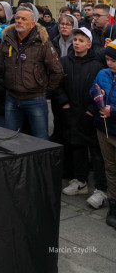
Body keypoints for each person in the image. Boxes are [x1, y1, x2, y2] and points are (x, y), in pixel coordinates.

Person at [55, 27, 107, 209]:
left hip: (90, 116)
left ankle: (101, 188)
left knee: (96, 152)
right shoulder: (64, 62)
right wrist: (65, 104)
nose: (76, 42)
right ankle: (80, 181)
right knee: (76, 147)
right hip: (72, 113)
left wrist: (91, 110)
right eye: (75, 39)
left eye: (81, 40)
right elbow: (57, 85)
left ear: (89, 44)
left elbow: (101, 90)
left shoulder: (97, 66)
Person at [0, 4, 63, 139]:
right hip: (12, 98)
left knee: (41, 139)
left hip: (35, 99)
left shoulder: (43, 42)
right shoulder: (7, 40)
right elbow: (0, 66)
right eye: (17, 18)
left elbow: (57, 71)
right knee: (10, 139)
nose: (19, 21)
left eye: (23, 19)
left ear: (33, 24)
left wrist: (44, 89)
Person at [90, 41, 116, 229]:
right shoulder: (102, 73)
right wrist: (97, 95)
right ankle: (114, 205)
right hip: (104, 129)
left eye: (113, 61)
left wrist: (112, 110)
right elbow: (93, 89)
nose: (109, 64)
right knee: (111, 168)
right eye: (107, 60)